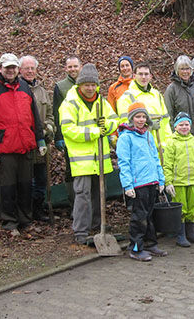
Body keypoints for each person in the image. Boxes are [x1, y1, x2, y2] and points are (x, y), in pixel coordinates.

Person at [0, 53, 46, 236]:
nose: (11, 71)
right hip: (5, 147)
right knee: (7, 187)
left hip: (25, 145)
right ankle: (9, 222)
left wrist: (39, 139)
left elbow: (34, 116)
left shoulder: (24, 87)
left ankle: (25, 219)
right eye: (7, 68)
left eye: (14, 68)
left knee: (25, 186)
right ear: (0, 68)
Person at [59, 63, 119, 245]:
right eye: (87, 85)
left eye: (93, 85)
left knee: (99, 193)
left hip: (100, 158)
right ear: (80, 84)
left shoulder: (101, 102)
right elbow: (68, 130)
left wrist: (107, 127)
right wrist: (96, 132)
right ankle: (81, 231)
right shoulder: (70, 103)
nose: (90, 88)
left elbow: (114, 120)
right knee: (82, 195)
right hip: (82, 161)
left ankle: (98, 224)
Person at [117, 102, 168, 262]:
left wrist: (160, 179)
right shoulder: (125, 138)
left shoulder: (148, 135)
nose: (141, 120)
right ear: (132, 118)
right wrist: (127, 185)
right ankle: (136, 248)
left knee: (150, 215)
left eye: (143, 116)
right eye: (137, 116)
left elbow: (155, 158)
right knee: (139, 217)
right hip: (138, 184)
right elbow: (124, 162)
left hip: (151, 181)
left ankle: (150, 243)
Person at [163, 112, 194, 247]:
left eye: (186, 124)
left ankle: (191, 232)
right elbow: (167, 164)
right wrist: (168, 182)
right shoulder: (171, 143)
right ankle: (180, 235)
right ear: (175, 127)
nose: (184, 127)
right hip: (178, 183)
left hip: (192, 182)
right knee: (180, 209)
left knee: (192, 207)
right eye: (181, 125)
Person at [19, 55, 55, 222]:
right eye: (27, 68)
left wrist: (48, 128)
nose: (30, 71)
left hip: (42, 144)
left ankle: (39, 210)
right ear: (20, 70)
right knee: (27, 180)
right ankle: (26, 212)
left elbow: (49, 113)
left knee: (41, 179)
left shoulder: (41, 91)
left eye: (32, 68)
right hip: (24, 144)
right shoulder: (17, 89)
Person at [116, 62, 172, 150]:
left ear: (150, 76)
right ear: (134, 76)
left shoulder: (157, 95)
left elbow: (166, 122)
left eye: (146, 74)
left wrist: (169, 143)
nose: (143, 77)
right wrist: (148, 127)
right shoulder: (126, 97)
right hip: (140, 147)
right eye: (140, 74)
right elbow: (125, 124)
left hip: (161, 148)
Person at [53, 55, 82, 208]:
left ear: (80, 67)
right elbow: (56, 113)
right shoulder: (61, 86)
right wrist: (59, 136)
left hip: (86, 136)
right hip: (69, 137)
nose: (72, 69)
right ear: (65, 69)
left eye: (75, 66)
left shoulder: (88, 84)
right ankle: (74, 204)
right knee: (71, 170)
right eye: (69, 67)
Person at [164, 55, 194, 137]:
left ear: (191, 70)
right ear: (177, 70)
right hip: (181, 136)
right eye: (182, 69)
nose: (185, 72)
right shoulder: (171, 89)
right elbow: (169, 115)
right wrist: (174, 135)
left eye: (187, 68)